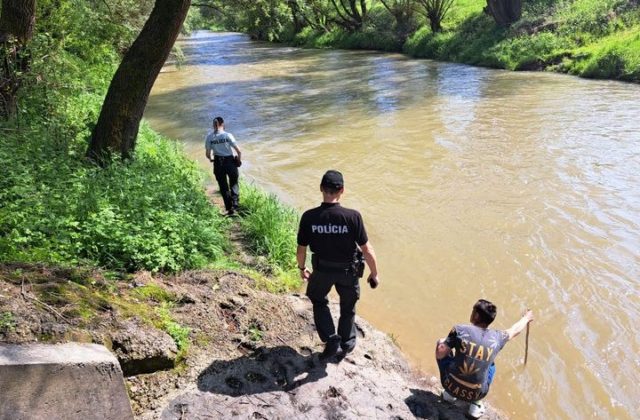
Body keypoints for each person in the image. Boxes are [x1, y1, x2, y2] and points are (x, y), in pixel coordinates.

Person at [296, 170, 380, 359]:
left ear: (321, 189)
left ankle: (329, 336)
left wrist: (302, 268)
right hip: (348, 271)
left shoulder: (309, 217)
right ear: (342, 190)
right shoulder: (352, 217)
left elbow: (301, 249)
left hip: (322, 270)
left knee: (318, 299)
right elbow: (367, 249)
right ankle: (346, 342)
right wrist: (374, 273)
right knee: (348, 306)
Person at [435, 299, 534, 418]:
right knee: (490, 364)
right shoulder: (498, 337)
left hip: (449, 385)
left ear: (476, 315)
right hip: (477, 394)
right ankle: (475, 406)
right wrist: (526, 318)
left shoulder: (459, 330)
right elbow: (514, 330)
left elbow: (440, 353)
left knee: (442, 343)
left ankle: (449, 396)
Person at [205, 116, 242, 216]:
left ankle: (229, 209)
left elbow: (208, 154)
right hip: (230, 162)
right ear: (223, 124)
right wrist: (238, 160)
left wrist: (211, 159)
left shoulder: (209, 137)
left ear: (213, 125)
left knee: (223, 186)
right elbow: (239, 151)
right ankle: (235, 206)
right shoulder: (227, 135)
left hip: (218, 163)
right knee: (234, 183)